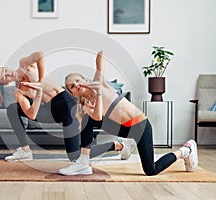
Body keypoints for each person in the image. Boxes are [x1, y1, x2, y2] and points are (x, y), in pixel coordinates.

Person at [59, 51, 198, 176]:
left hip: (140, 127)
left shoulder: (99, 82)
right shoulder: (85, 106)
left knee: (151, 170)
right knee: (87, 119)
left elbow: (101, 56)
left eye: (77, 81)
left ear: (85, 80)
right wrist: (97, 95)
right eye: (72, 86)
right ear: (73, 93)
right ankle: (84, 162)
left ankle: (186, 150)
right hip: (123, 129)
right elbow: (97, 118)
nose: (76, 85)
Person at [0, 51, 135, 162]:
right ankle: (25, 151)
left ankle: (119, 144)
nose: (8, 74)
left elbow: (40, 54)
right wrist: (38, 93)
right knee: (13, 109)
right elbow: (32, 115)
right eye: (4, 77)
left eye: (4, 70)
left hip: (65, 104)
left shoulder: (24, 64)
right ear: (5, 83)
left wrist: (40, 80)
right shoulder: (19, 91)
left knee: (74, 156)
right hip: (49, 110)